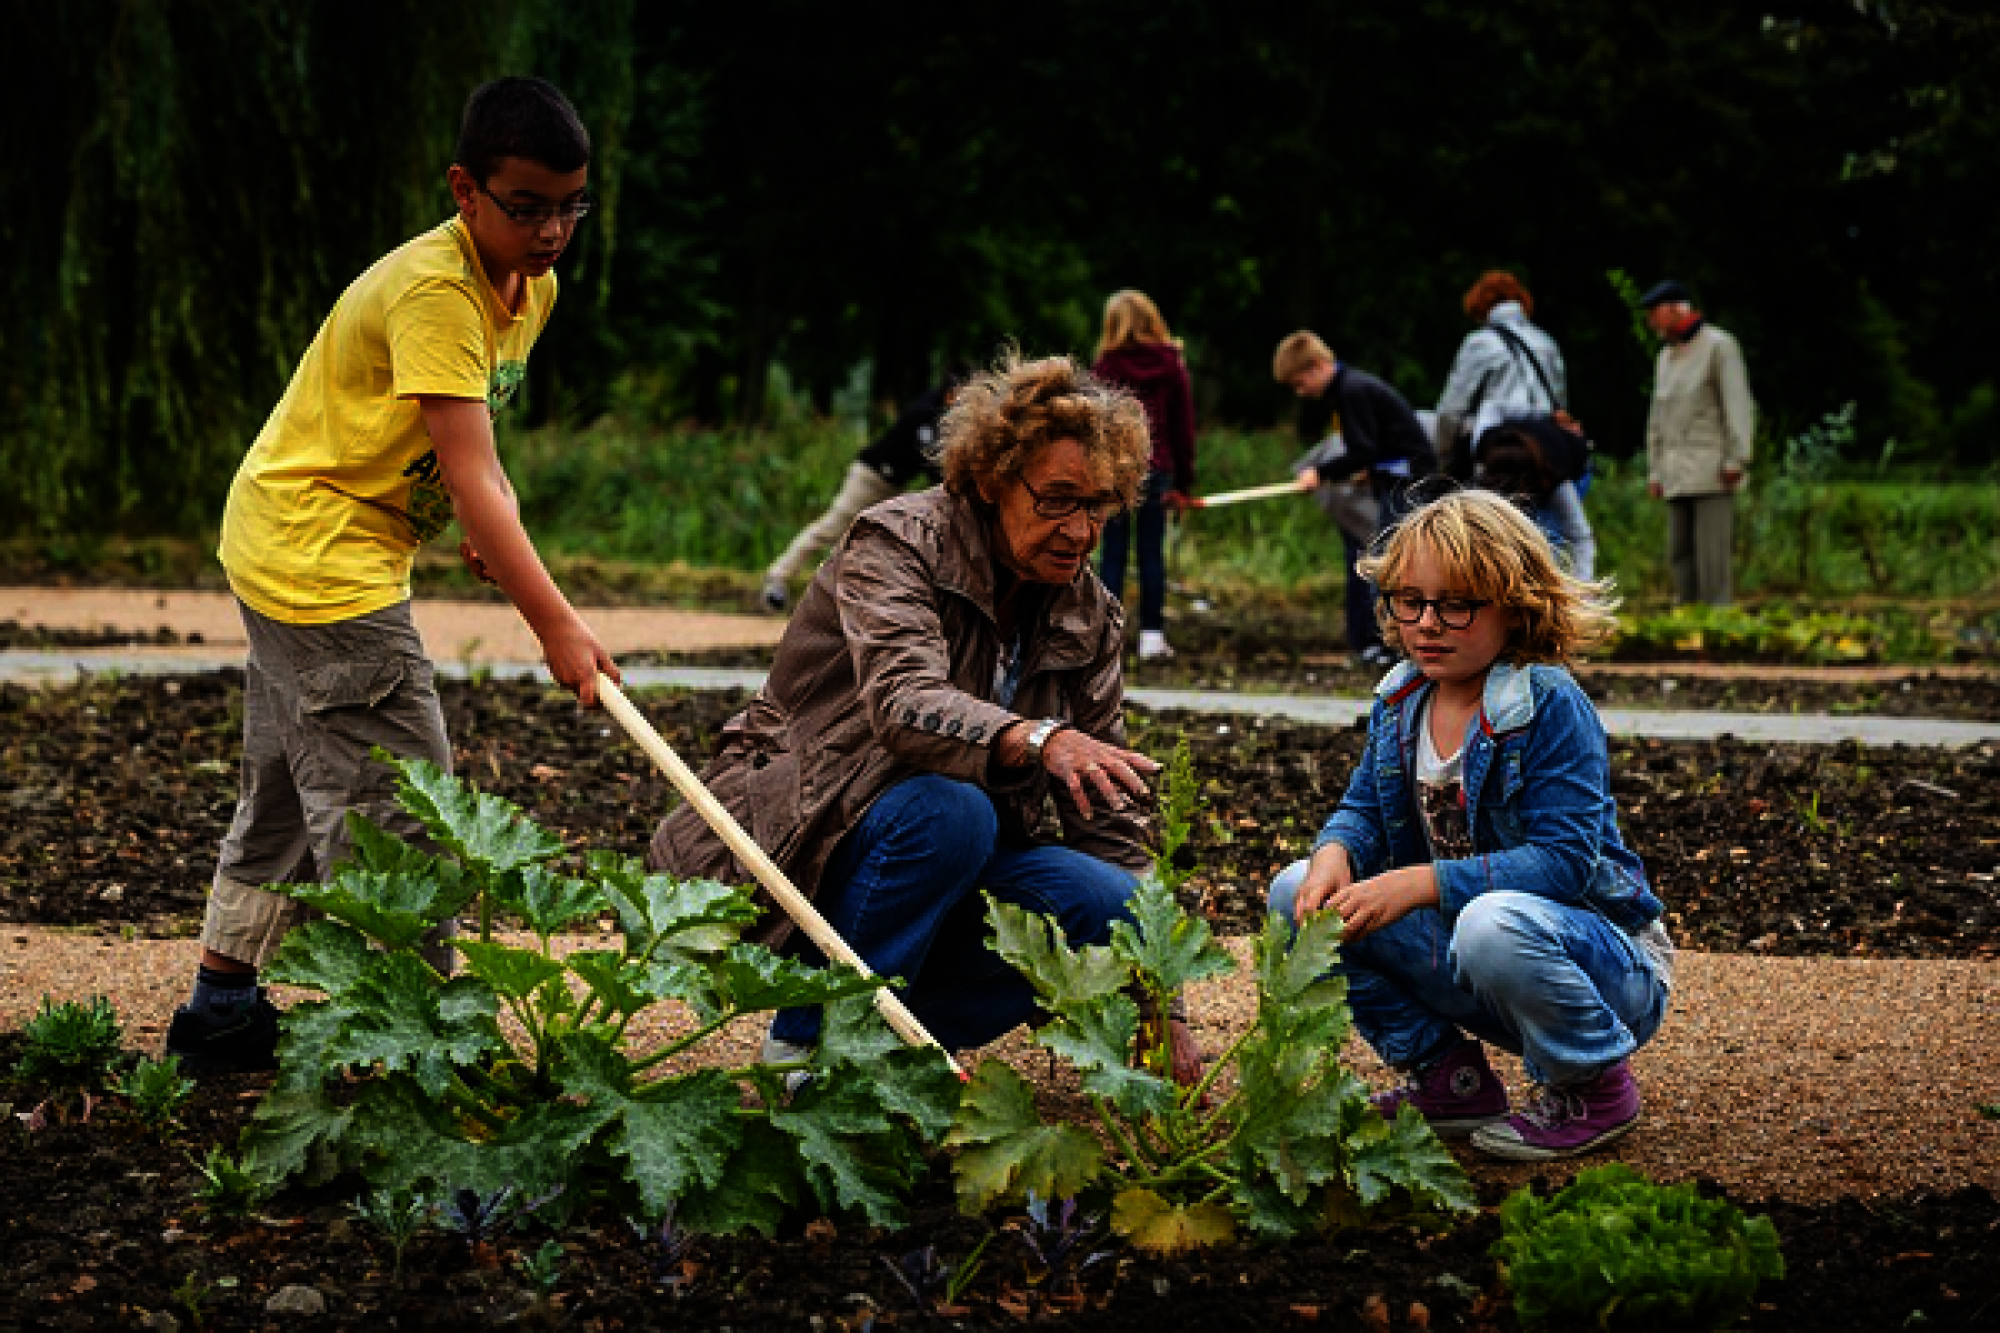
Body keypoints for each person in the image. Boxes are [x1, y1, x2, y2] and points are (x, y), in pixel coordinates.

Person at [164, 77, 622, 1074]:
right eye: (526, 206)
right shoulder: (436, 292)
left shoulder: (529, 286)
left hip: (301, 536)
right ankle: (421, 1060)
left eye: (571, 206)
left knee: (288, 786)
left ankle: (221, 1010)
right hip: (319, 558)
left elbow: (473, 456)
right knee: (402, 813)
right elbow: (472, 477)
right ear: (465, 190)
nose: (552, 231)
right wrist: (556, 624)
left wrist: (484, 521)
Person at [650, 352, 1198, 1078]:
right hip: (806, 835)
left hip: (940, 860)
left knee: (1110, 899)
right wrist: (1037, 738)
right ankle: (810, 1045)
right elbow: (903, 700)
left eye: (1099, 505)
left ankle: (893, 1054)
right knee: (952, 812)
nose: (1080, 530)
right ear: (993, 479)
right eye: (1058, 500)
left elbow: (1110, 818)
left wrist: (1166, 1001)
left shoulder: (1086, 611)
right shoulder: (897, 541)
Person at [1267, 490, 1673, 1161]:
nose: (1428, 623)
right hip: (1479, 949)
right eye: (1410, 601)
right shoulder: (1402, 701)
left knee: (1490, 921)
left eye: (1457, 604)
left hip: (1601, 970)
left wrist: (1420, 883)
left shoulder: (1547, 704)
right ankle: (1448, 1078)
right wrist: (1336, 851)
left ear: (1515, 605)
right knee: (1295, 891)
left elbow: (1565, 862)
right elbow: (1363, 808)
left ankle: (1594, 1084)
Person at [1272, 330, 1439, 667]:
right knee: (1385, 556)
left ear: (1317, 365)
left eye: (1300, 383)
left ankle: (1388, 645)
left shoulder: (1351, 391)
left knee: (1389, 560)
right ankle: (1382, 642)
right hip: (1394, 475)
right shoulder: (1350, 389)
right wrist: (1368, 470)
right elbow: (1377, 444)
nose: (1301, 392)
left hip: (1408, 481)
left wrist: (1320, 472)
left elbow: (1363, 449)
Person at [761, 365, 971, 613]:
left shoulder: (940, 413)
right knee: (832, 528)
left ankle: (864, 599)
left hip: (893, 485)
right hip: (870, 478)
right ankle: (777, 577)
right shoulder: (925, 414)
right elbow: (930, 463)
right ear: (951, 392)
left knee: (889, 541)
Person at [1436, 271, 1596, 578]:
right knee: (1555, 535)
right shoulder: (1545, 341)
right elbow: (1559, 407)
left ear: (1480, 307)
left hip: (1502, 454)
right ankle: (1560, 597)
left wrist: (1443, 454)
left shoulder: (1479, 343)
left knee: (1501, 534)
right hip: (1549, 455)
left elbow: (1451, 411)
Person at [1091, 291, 1197, 661]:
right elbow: (1184, 429)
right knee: (1152, 553)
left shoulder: (1105, 367)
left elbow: (1095, 425)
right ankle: (1152, 637)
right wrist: (1184, 484)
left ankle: (1105, 635)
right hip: (1158, 467)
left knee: (1112, 553)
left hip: (1115, 468)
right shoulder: (1172, 365)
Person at [1641, 280, 1756, 606]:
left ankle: (1717, 617)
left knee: (1711, 555)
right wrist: (1655, 470)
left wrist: (1737, 458)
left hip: (1712, 469)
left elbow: (1737, 405)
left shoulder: (1720, 346)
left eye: (1654, 312)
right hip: (1674, 472)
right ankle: (1686, 615)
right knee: (1679, 551)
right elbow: (1657, 418)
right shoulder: (1665, 356)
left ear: (1675, 309)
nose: (1650, 320)